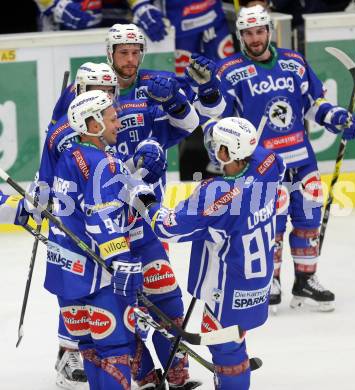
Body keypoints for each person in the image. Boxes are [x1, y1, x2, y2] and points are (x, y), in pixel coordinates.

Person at [207, 5, 355, 311]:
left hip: (302, 158)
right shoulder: (228, 71)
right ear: (240, 36)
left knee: (308, 221)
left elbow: (313, 105)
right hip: (262, 164)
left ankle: (305, 280)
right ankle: (271, 281)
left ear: (269, 32)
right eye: (248, 33)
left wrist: (336, 117)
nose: (255, 39)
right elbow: (218, 121)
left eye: (260, 31)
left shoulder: (294, 63)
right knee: (270, 225)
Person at [128, 116, 285, 389]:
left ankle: (232, 376)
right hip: (259, 284)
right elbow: (260, 154)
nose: (213, 149)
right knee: (235, 340)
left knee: (226, 352)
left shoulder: (216, 194)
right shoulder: (269, 166)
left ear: (227, 152)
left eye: (218, 146)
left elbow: (167, 228)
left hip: (228, 290)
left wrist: (143, 197)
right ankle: (233, 366)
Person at [46, 89, 145, 390]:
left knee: (90, 347)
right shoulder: (104, 163)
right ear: (93, 124)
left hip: (66, 272)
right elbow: (100, 217)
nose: (119, 124)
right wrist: (122, 260)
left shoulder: (69, 156)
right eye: (113, 119)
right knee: (114, 350)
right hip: (96, 274)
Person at [129, 0, 235, 76]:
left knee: (228, 79)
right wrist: (140, 5)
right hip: (178, 30)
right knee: (182, 90)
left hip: (216, 22)